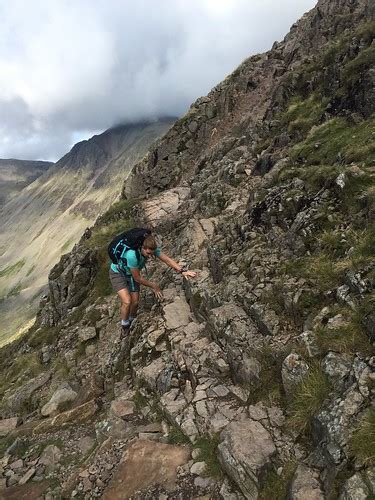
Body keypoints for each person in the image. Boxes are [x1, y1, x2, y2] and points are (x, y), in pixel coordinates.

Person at [109, 234, 196, 334]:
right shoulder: (131, 255)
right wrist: (154, 286)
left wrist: (182, 271)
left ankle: (132, 320)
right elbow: (137, 278)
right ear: (142, 247)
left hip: (131, 274)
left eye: (152, 253)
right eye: (148, 253)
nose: (150, 256)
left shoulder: (151, 250)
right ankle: (125, 326)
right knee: (127, 301)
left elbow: (166, 259)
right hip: (118, 273)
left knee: (136, 303)